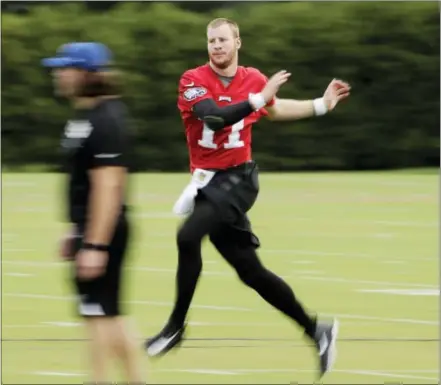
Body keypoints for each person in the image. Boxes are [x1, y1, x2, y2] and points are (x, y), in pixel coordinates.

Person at [145, 18, 350, 379]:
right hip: (206, 182)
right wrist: (259, 96)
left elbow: (275, 109)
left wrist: (321, 105)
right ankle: (317, 330)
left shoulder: (254, 79)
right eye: (211, 41)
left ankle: (175, 328)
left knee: (187, 236)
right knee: (250, 272)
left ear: (237, 41)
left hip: (239, 179)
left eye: (223, 39)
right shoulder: (192, 79)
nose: (217, 46)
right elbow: (213, 118)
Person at [41, 42, 145, 384]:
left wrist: (96, 244)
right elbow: (83, 185)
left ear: (87, 74)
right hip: (89, 230)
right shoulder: (83, 116)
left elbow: (109, 187)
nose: (59, 74)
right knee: (107, 316)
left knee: (99, 316)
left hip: (105, 231)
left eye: (65, 68)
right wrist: (75, 231)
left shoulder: (107, 118)